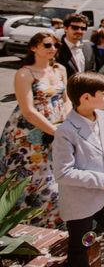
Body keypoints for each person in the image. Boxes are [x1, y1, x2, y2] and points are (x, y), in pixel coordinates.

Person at [52, 72, 104, 267]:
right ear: (86, 98)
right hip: (80, 200)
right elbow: (63, 172)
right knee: (79, 248)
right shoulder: (66, 131)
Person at [0, 32, 71, 228]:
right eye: (47, 45)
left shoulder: (60, 70)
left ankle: (53, 225)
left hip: (56, 129)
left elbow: (66, 100)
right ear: (33, 48)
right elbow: (28, 111)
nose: (53, 49)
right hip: (28, 137)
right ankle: (23, 226)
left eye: (55, 45)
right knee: (29, 180)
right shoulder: (24, 73)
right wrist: (56, 132)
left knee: (55, 178)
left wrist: (66, 123)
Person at [56, 13, 96, 78]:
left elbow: (92, 72)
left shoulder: (89, 48)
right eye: (75, 27)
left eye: (83, 28)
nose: (79, 31)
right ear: (66, 28)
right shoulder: (56, 49)